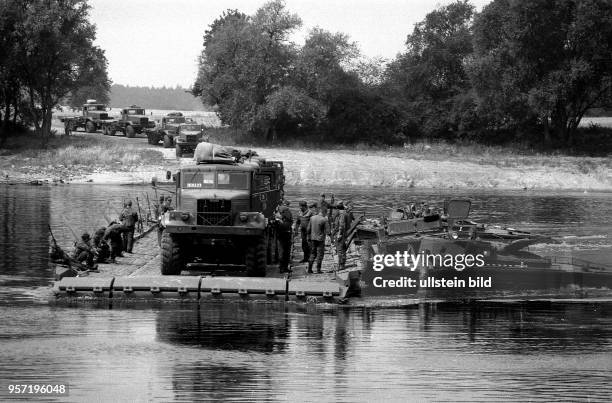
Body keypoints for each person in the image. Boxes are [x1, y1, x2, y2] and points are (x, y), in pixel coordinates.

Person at [307, 207, 330, 274]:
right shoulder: (324, 219)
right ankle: (318, 269)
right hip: (320, 240)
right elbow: (328, 231)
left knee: (313, 253)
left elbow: (308, 229)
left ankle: (309, 269)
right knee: (320, 254)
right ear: (324, 212)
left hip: (313, 239)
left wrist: (308, 237)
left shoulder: (312, 218)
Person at [333, 201, 354, 271]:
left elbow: (341, 225)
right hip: (344, 233)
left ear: (338, 209)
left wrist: (339, 234)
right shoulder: (345, 213)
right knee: (343, 248)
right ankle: (343, 263)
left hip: (341, 234)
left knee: (339, 250)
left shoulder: (341, 214)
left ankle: (341, 265)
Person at [276, 199, 293, 273]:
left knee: (282, 251)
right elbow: (290, 220)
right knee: (285, 252)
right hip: (285, 233)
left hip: (281, 234)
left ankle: (282, 267)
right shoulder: (286, 211)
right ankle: (283, 268)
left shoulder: (277, 212)